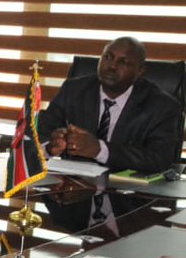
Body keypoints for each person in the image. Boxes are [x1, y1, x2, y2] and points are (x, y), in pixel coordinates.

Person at [40, 36, 182, 174]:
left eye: (123, 62)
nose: (112, 66)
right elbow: (37, 135)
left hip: (128, 191)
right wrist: (51, 147)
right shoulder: (73, 90)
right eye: (108, 57)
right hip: (74, 186)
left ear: (140, 71)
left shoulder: (162, 106)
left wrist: (99, 149)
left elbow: (160, 159)